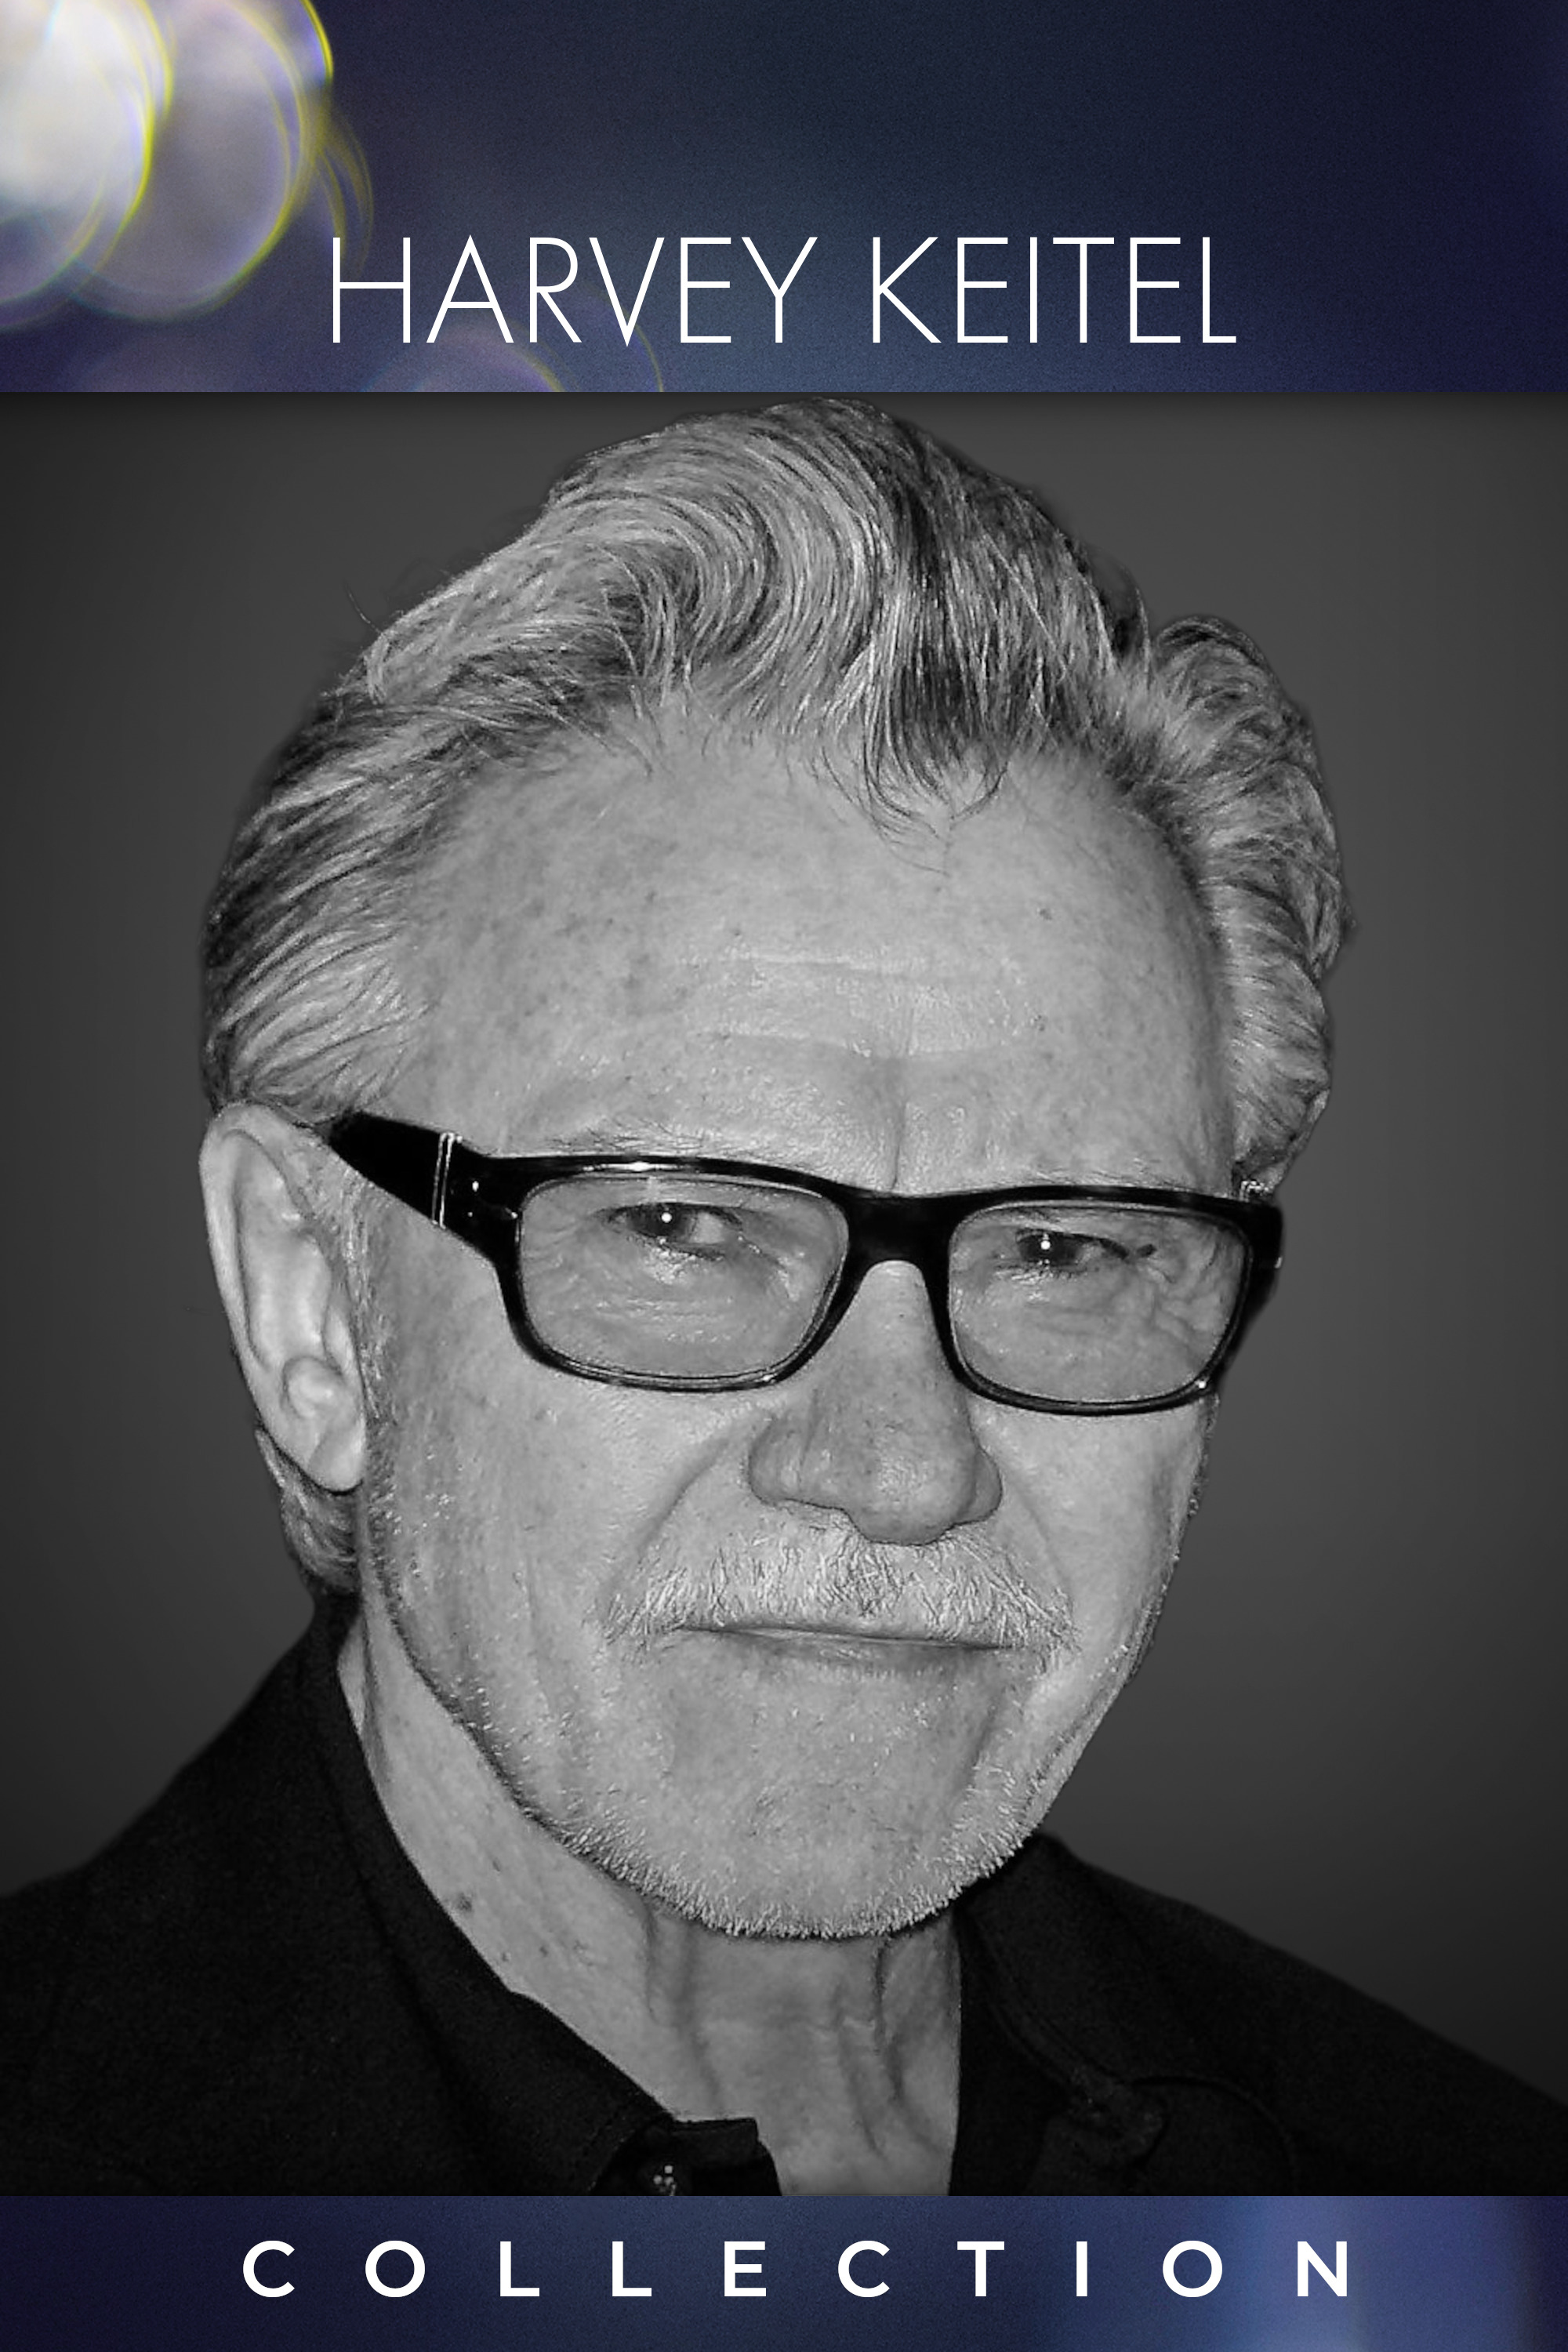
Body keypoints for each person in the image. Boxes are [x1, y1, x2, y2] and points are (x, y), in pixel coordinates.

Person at [1, 398, 1563, 2194]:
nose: (905, 1469)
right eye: (681, 1228)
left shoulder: (1459, 2207)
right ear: (312, 1308)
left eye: (1062, 1252)